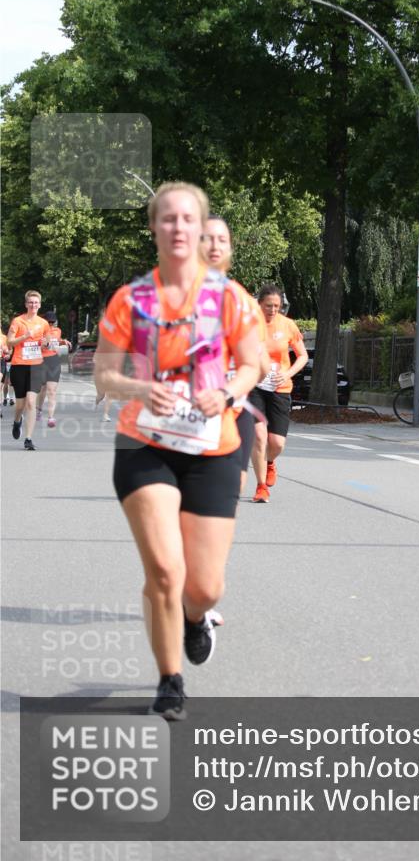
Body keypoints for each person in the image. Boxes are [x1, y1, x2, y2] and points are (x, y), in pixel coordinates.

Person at [94, 181, 260, 719]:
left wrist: (228, 393)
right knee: (165, 570)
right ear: (154, 228)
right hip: (145, 445)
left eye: (188, 218)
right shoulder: (131, 299)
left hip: (213, 448)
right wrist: (140, 388)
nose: (178, 227)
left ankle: (195, 618)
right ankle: (170, 681)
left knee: (205, 587)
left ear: (201, 227)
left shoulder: (230, 298)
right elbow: (103, 374)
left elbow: (253, 365)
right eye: (167, 218)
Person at [199, 216, 271, 499]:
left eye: (222, 240)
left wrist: (234, 386)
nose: (215, 246)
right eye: (207, 239)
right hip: (187, 413)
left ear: (230, 248)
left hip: (233, 407)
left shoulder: (243, 302)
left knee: (230, 491)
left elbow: (259, 366)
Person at [249, 284, 308, 503]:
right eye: (268, 306)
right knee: (259, 436)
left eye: (276, 306)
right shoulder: (249, 325)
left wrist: (287, 374)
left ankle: (270, 462)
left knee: (277, 443)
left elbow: (302, 356)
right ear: (259, 304)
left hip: (279, 387)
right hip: (254, 386)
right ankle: (261, 486)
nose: (272, 310)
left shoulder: (288, 325)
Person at [7, 290, 50, 450]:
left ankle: (28, 438)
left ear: (40, 305)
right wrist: (25, 336)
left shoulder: (44, 323)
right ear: (26, 304)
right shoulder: (18, 321)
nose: (33, 305)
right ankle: (17, 421)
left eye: (36, 302)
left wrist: (46, 344)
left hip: (36, 366)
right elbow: (10, 342)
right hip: (19, 365)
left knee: (31, 402)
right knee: (20, 405)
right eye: (30, 302)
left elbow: (47, 342)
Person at [36, 311, 71, 428]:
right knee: (42, 389)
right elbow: (36, 345)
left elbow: (57, 340)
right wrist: (43, 344)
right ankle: (39, 410)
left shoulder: (57, 330)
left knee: (52, 391)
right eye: (49, 322)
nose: (51, 324)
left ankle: (51, 417)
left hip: (54, 361)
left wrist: (63, 341)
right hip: (41, 361)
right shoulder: (39, 331)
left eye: (52, 322)